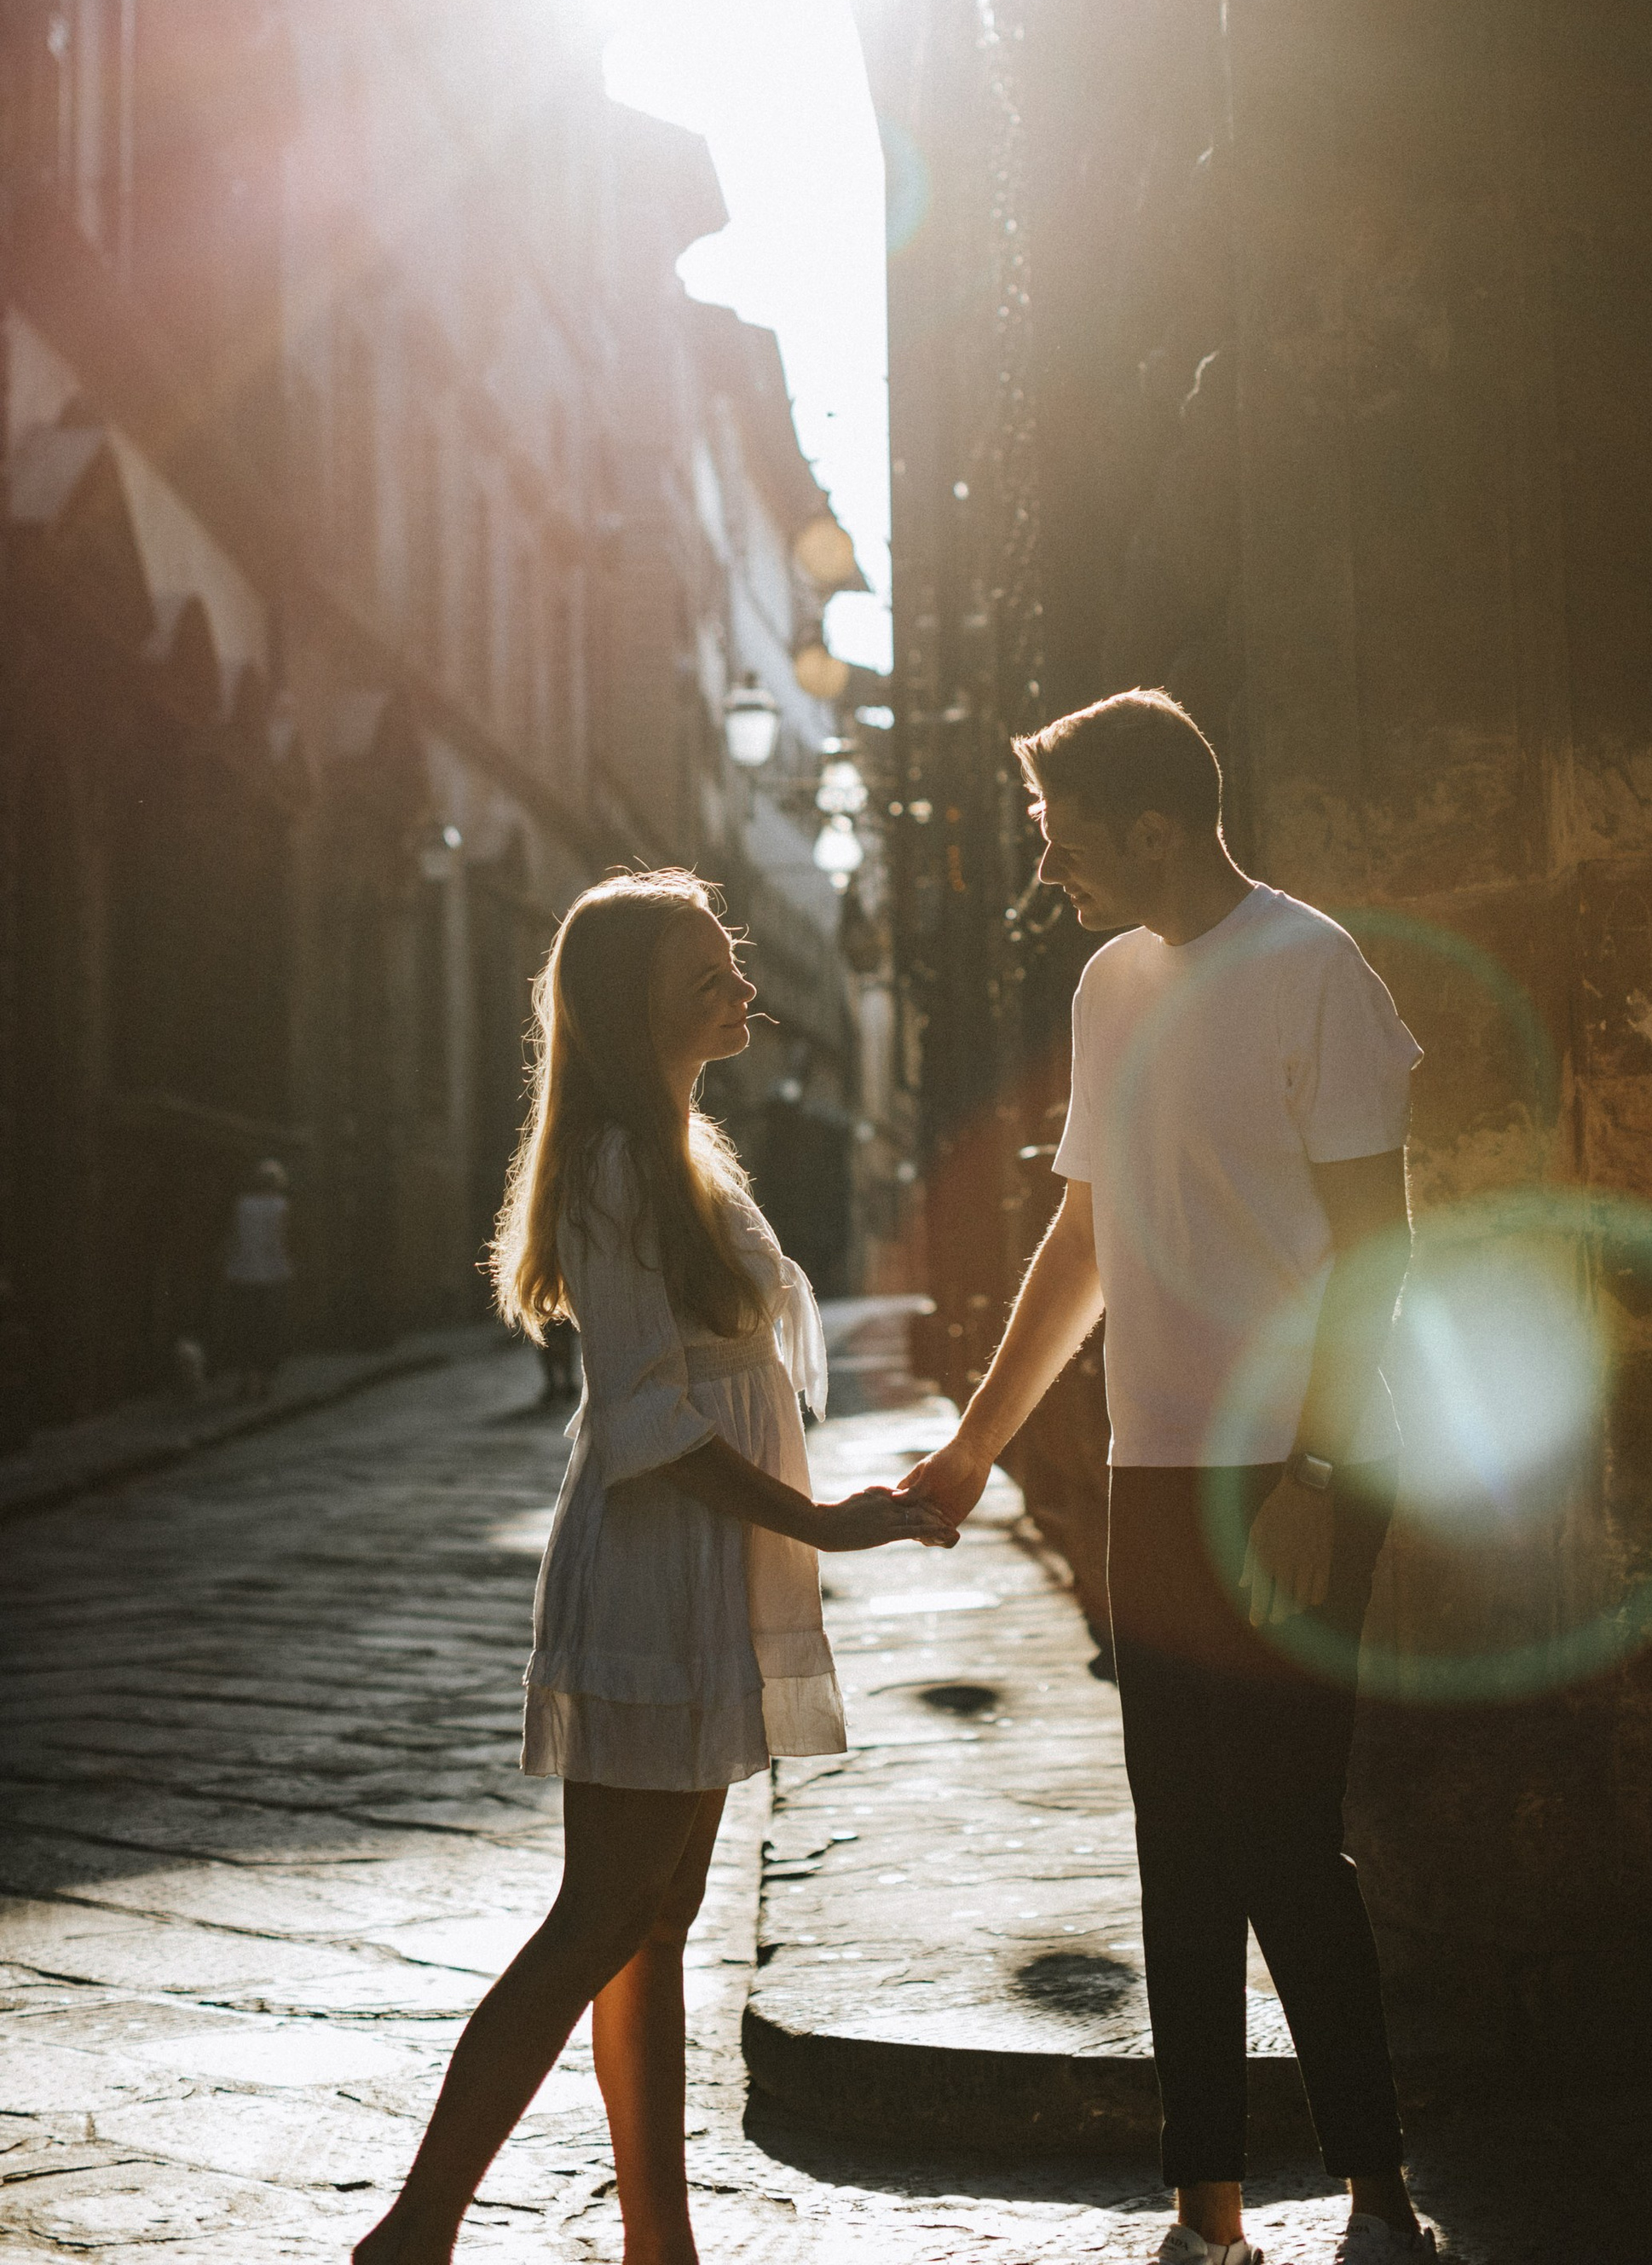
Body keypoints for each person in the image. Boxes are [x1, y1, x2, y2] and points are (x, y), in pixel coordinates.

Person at [901, 691, 1438, 2265]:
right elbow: (1086, 1241)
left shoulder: (1315, 966)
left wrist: (1323, 1468)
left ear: (1152, 825)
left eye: (1062, 835)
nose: (1045, 865)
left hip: (1300, 1466)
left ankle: (1377, 2190)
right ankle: (1206, 2211)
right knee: (1177, 1845)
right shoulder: (1107, 985)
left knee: (1284, 1839)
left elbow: (1379, 1250)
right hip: (1158, 1469)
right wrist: (975, 1449)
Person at [355, 868, 956, 2265]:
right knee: (598, 1916)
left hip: (704, 1576)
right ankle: (417, 2229)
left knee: (657, 1918)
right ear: (637, 1013)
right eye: (709, 972)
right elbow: (647, 1416)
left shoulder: (684, 1152)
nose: (745, 982)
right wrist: (821, 1522)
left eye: (734, 958)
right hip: (652, 1571)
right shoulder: (626, 1166)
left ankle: (656, 2242)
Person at [222, 1158, 294, 1399]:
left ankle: (247, 1380)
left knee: (245, 1327)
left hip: (243, 1274)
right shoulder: (279, 1205)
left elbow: (234, 1238)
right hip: (272, 1275)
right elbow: (280, 1242)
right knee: (269, 1328)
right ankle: (263, 1382)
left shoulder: (242, 1205)